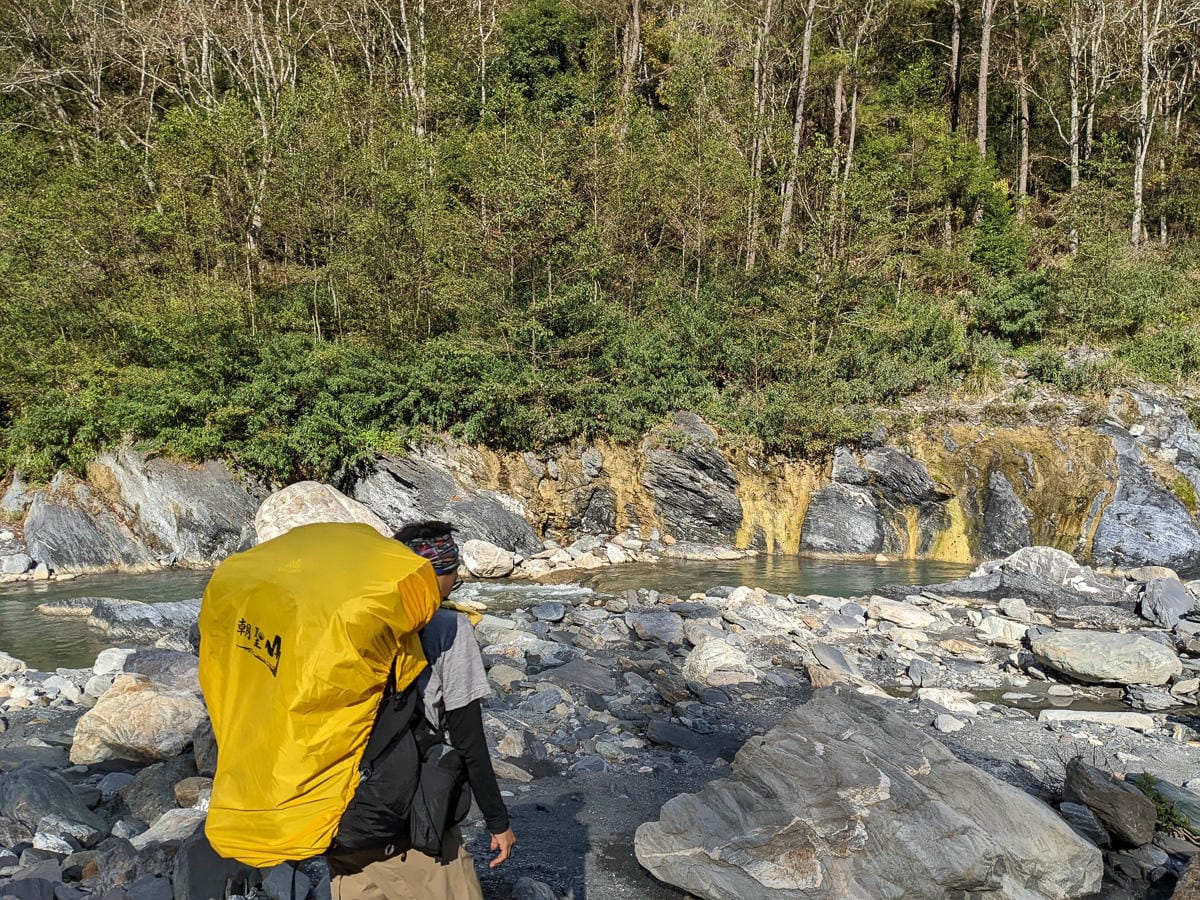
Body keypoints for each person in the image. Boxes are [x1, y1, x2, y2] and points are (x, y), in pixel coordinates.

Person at [329, 521, 517, 900]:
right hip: (410, 816)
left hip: (340, 809)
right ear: (442, 576)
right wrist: (498, 821)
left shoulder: (347, 621)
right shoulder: (449, 627)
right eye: (453, 570)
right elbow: (468, 740)